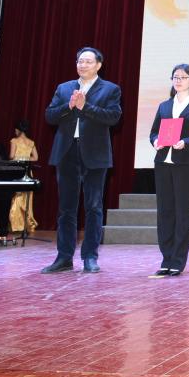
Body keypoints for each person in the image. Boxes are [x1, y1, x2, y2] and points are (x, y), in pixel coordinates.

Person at [42, 47, 123, 274]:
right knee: (66, 208)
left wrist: (85, 107)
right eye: (80, 61)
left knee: (94, 207)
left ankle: (90, 257)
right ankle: (64, 257)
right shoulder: (64, 88)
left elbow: (113, 117)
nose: (83, 65)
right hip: (66, 152)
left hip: (95, 154)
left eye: (88, 61)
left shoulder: (110, 89)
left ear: (98, 65)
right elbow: (49, 115)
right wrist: (68, 106)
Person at [148, 64, 189, 278]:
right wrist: (155, 141)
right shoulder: (164, 106)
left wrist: (186, 142)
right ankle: (166, 259)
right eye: (175, 77)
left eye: (183, 77)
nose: (178, 80)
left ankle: (177, 261)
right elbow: (154, 133)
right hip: (162, 163)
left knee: (182, 212)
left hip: (185, 164)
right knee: (165, 212)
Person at [8, 120, 40, 237]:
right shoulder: (31, 142)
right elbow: (35, 158)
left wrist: (18, 158)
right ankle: (26, 224)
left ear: (18, 130)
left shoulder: (14, 141)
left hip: (17, 171)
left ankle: (16, 225)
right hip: (28, 172)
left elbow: (11, 156)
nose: (14, 131)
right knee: (26, 198)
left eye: (15, 129)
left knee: (16, 197)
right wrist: (25, 158)